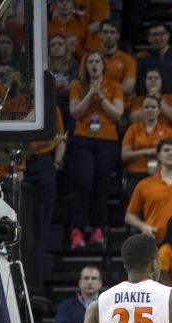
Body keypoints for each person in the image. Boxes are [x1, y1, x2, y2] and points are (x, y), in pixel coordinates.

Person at [68, 50, 124, 250]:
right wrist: (90, 94)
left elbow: (117, 114)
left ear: (103, 66)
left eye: (96, 62)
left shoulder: (114, 87)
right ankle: (77, 230)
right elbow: (75, 112)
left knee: (101, 185)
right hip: (83, 138)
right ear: (85, 66)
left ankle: (98, 229)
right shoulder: (77, 86)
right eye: (89, 61)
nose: (93, 65)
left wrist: (101, 98)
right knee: (83, 183)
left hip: (107, 140)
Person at [121, 95, 172, 200]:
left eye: (153, 107)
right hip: (136, 174)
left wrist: (159, 153)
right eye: (146, 107)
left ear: (159, 110)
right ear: (141, 110)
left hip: (161, 174)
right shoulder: (132, 129)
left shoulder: (168, 131)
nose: (150, 110)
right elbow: (124, 156)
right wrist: (145, 152)